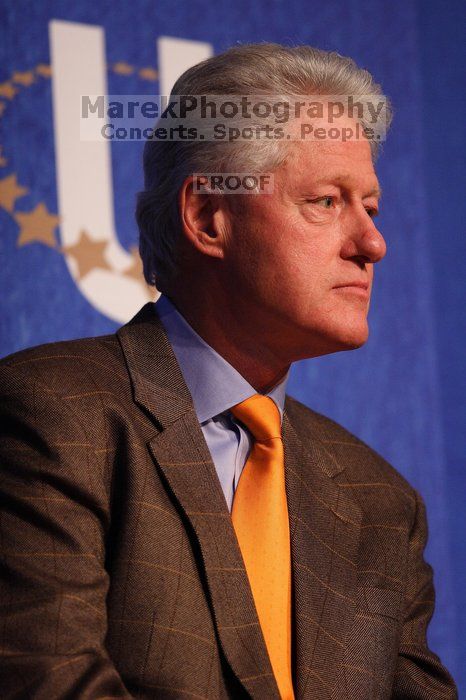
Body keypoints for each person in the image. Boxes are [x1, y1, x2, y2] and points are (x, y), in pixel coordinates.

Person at [0, 43, 457, 699]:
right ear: (208, 217)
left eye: (372, 208)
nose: (372, 244)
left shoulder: (382, 502)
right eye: (327, 201)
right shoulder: (54, 418)